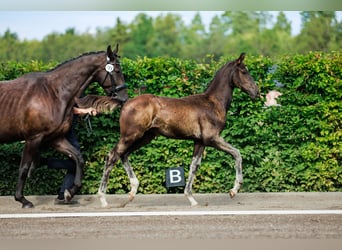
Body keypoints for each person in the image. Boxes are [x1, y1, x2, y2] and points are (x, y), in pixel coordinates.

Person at [41, 106, 97, 204]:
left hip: (68, 128)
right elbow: (66, 106)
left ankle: (62, 195)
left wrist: (83, 112)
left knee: (76, 163)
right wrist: (83, 110)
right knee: (77, 161)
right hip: (63, 129)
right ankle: (43, 162)